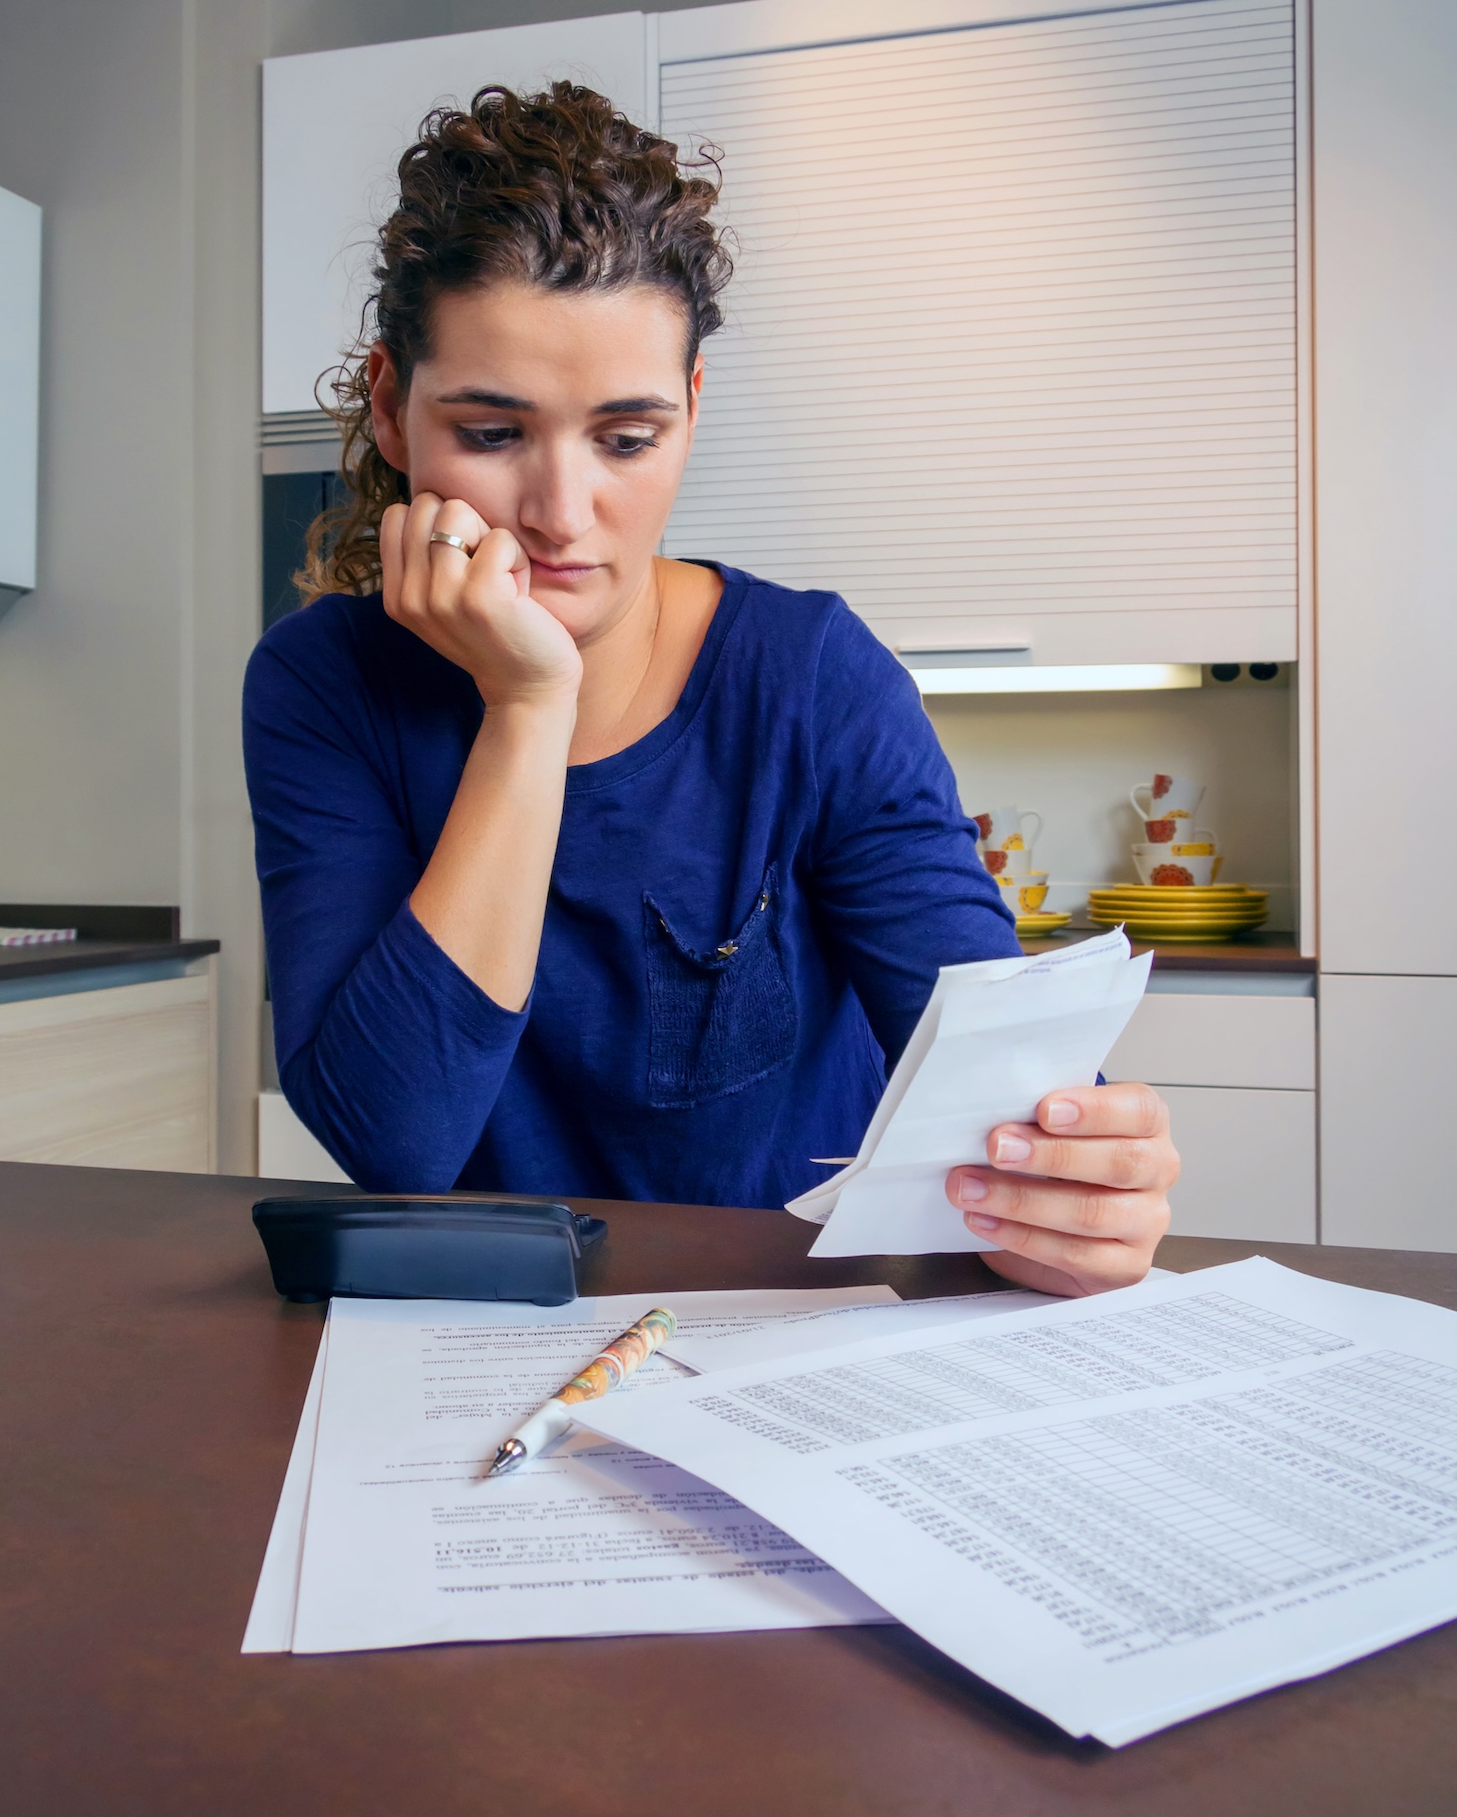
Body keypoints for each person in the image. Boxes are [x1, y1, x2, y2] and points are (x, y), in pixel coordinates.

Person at [243, 83, 1178, 1297]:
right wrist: (530, 708)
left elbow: (1005, 1096)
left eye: (625, 440)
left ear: (690, 411)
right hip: (475, 1350)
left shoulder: (814, 680)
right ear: (389, 405)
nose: (562, 513)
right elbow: (395, 1140)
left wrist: (1078, 1191)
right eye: (490, 434)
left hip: (784, 1341)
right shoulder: (322, 688)